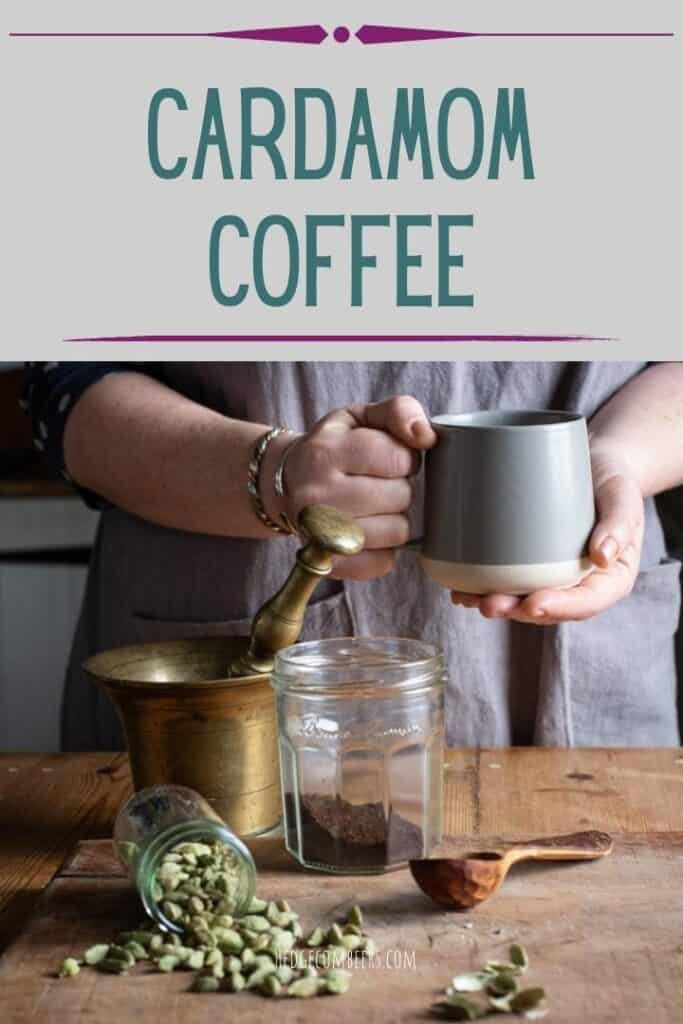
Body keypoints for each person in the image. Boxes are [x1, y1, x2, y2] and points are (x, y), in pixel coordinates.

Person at [23, 361, 683, 749]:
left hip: (586, 671)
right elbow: (61, 381)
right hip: (223, 588)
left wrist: (615, 460)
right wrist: (273, 473)